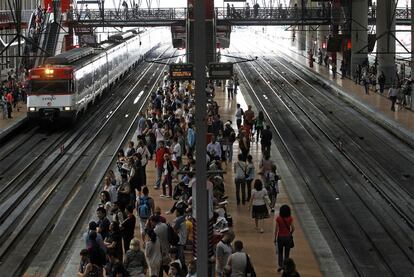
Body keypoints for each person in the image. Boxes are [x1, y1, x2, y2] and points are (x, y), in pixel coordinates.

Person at [275, 205, 295, 272]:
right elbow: (293, 228)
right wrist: (290, 233)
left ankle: (281, 266)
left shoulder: (278, 218)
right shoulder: (290, 218)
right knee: (287, 253)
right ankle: (286, 266)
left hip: (280, 237)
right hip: (288, 238)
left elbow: (276, 229)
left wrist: (275, 238)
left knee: (280, 253)